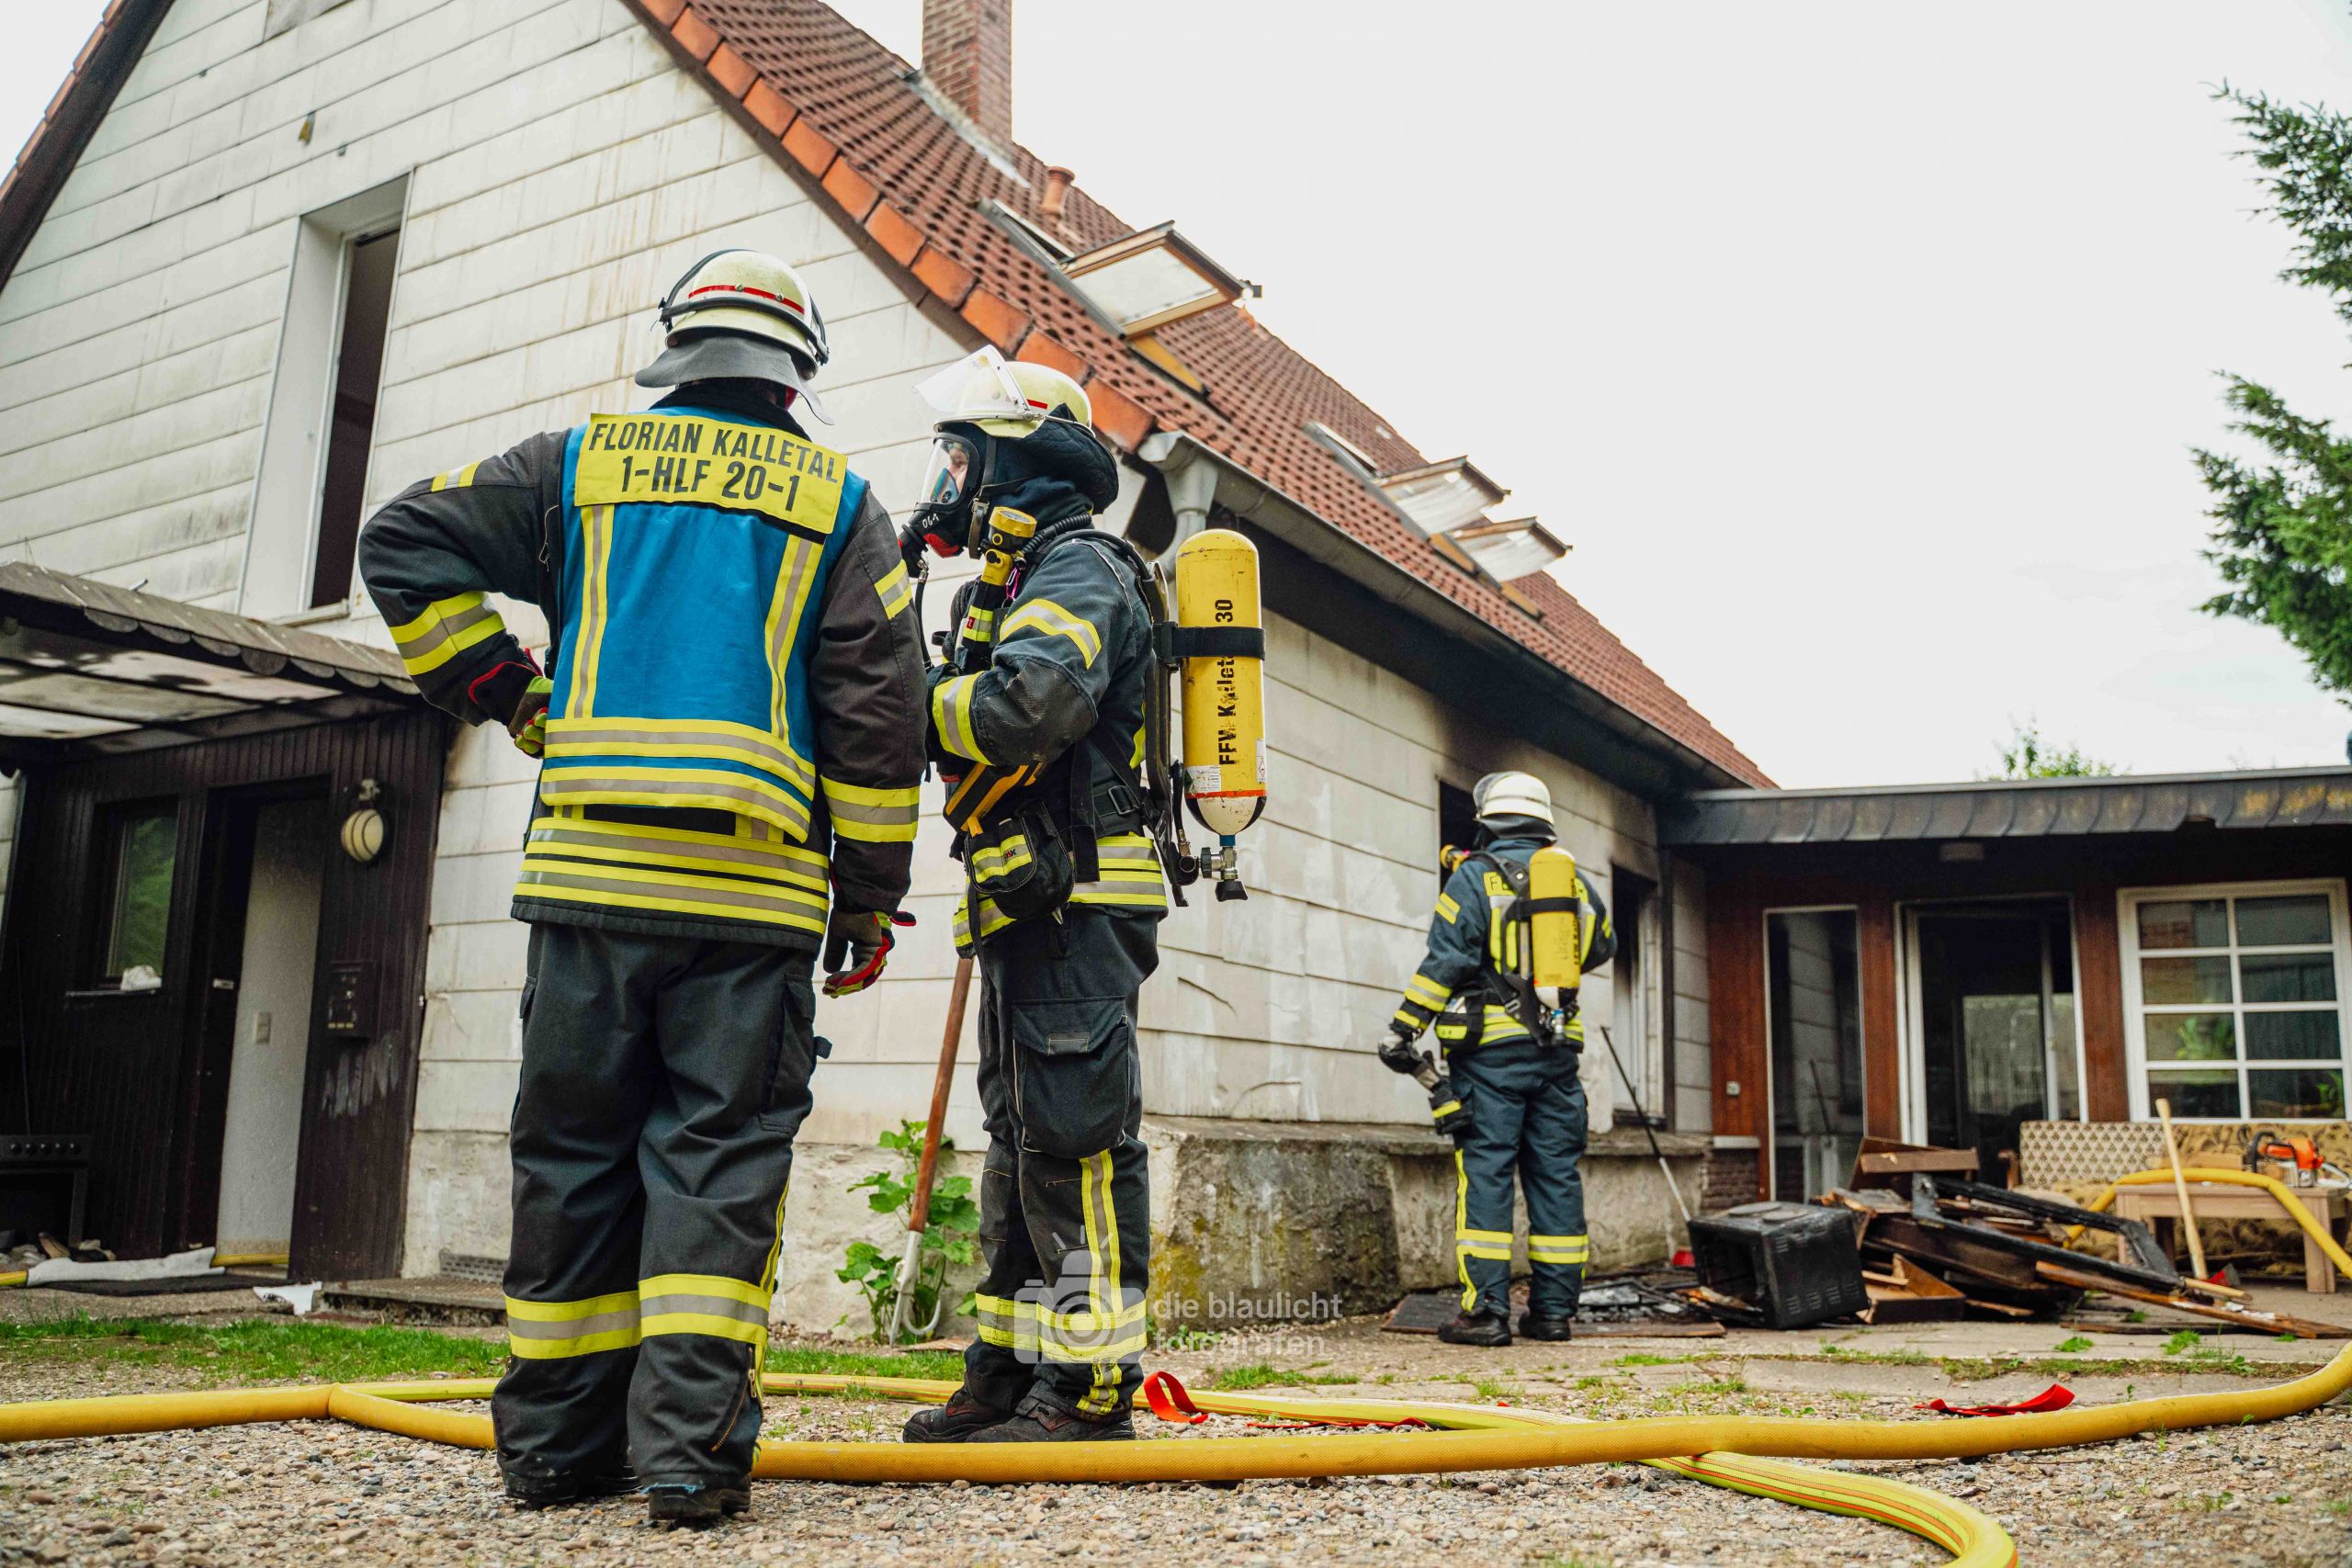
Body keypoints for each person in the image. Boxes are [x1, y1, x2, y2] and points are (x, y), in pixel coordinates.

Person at [357, 250, 926, 1523]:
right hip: (755, 899)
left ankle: (555, 1452)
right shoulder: (842, 502)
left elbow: (399, 539)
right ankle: (686, 1461)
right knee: (718, 1164)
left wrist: (507, 693)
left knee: (571, 1157)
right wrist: (871, 897)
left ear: (679, 344)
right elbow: (880, 724)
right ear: (799, 371)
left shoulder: (575, 464)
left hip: (587, 880)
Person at [897, 347, 1166, 1444]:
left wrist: (910, 704)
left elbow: (1028, 708)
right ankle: (1008, 1370)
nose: (944, 480)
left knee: (1080, 1146)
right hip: (1024, 901)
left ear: (1013, 462)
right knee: (1021, 1147)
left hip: (1077, 897)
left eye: (959, 454)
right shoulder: (1008, 583)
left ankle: (1092, 1388)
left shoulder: (1083, 569)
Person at [1382, 771, 1614, 1348]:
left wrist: (1404, 1028)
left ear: (1489, 820)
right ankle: (1553, 1314)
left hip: (1489, 1057)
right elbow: (1604, 946)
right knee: (1556, 1178)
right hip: (1558, 1054)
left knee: (1486, 1175)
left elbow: (1446, 961)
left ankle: (1485, 1314)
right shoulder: (1576, 884)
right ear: (1542, 823)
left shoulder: (1473, 878)